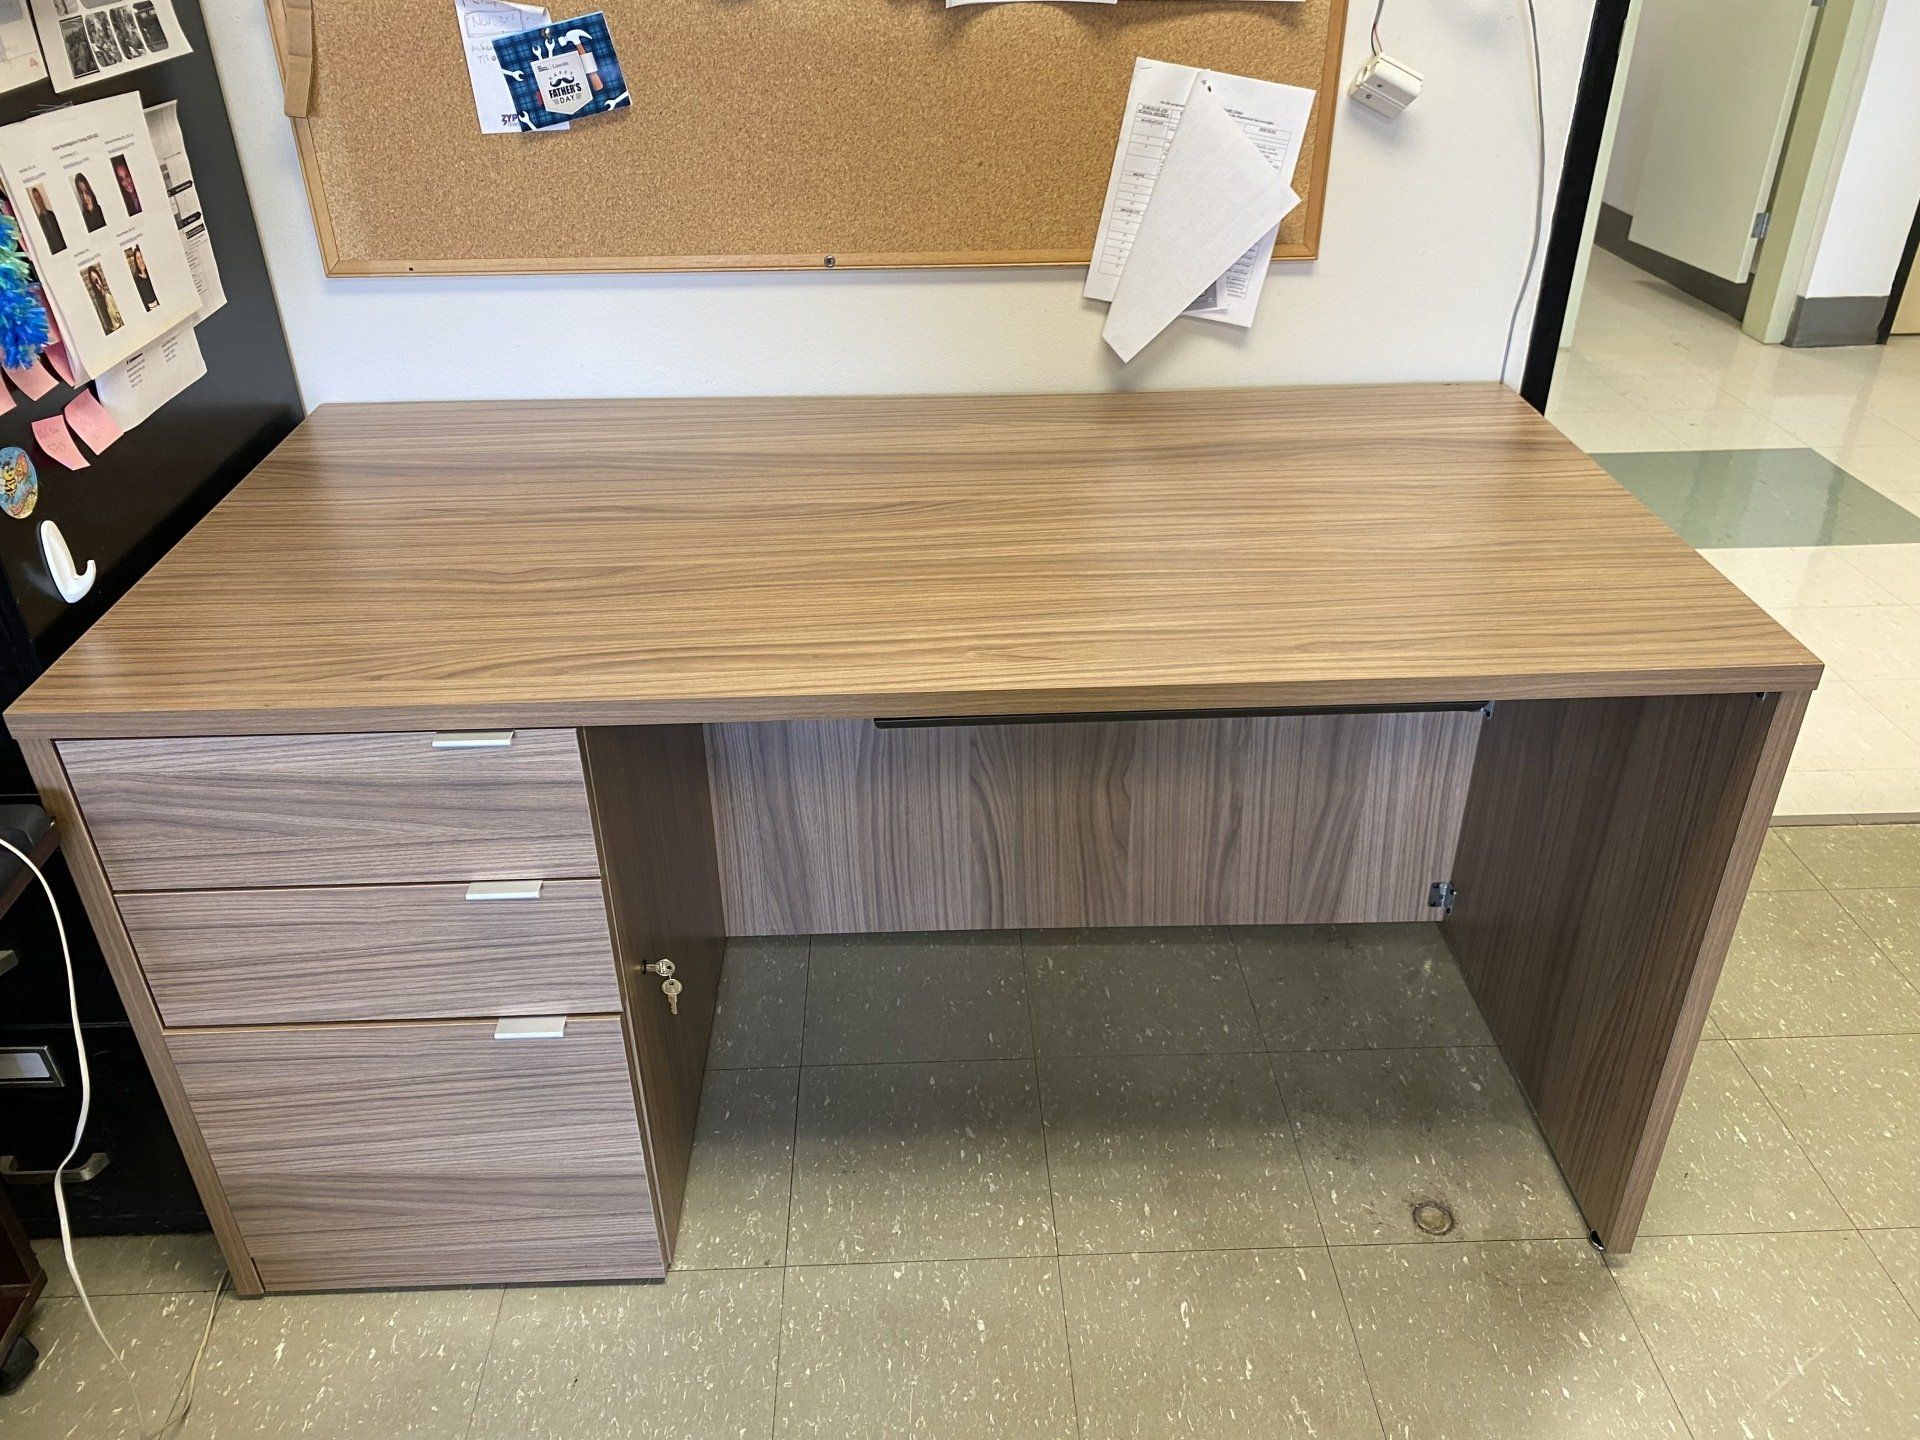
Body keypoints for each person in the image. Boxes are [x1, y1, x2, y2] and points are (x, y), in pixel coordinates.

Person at [28, 186, 64, 254]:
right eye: (36, 198)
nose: (39, 200)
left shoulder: (52, 213)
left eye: (39, 197)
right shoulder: (39, 220)